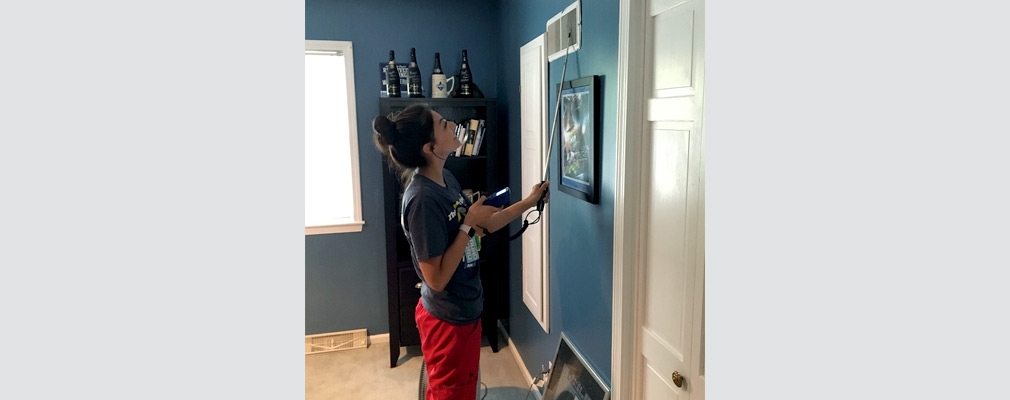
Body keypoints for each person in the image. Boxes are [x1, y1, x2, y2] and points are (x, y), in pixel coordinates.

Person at [372, 104, 549, 400]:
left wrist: (529, 202)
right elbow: (436, 279)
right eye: (443, 124)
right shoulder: (423, 200)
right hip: (447, 321)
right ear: (430, 147)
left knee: (463, 390)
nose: (452, 124)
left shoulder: (446, 179)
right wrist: (467, 225)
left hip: (465, 310)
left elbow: (486, 223)